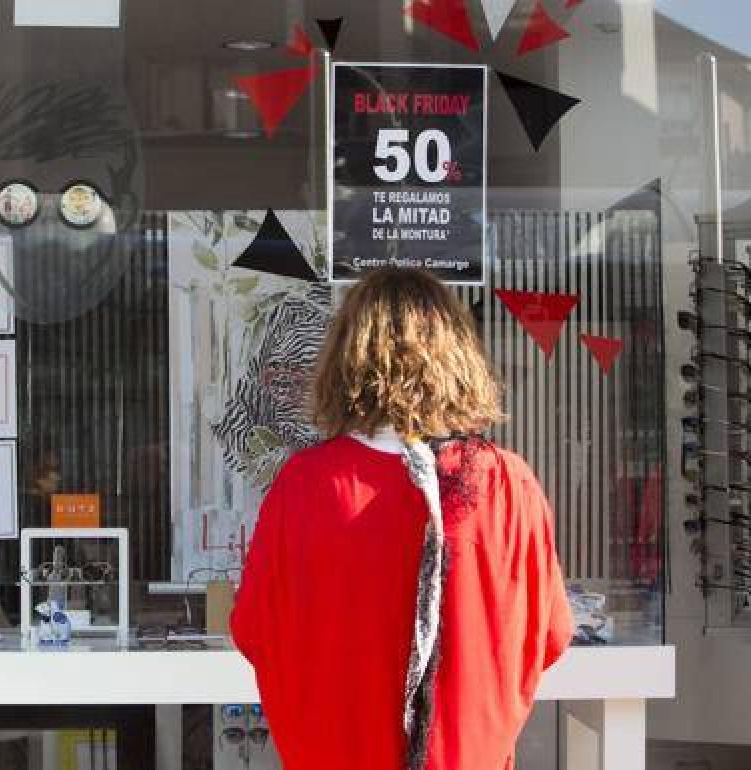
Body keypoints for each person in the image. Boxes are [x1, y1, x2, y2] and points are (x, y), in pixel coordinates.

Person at [230, 268, 573, 770]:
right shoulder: (507, 485)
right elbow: (550, 637)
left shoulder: (305, 486)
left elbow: (255, 631)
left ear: (345, 361)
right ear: (459, 358)